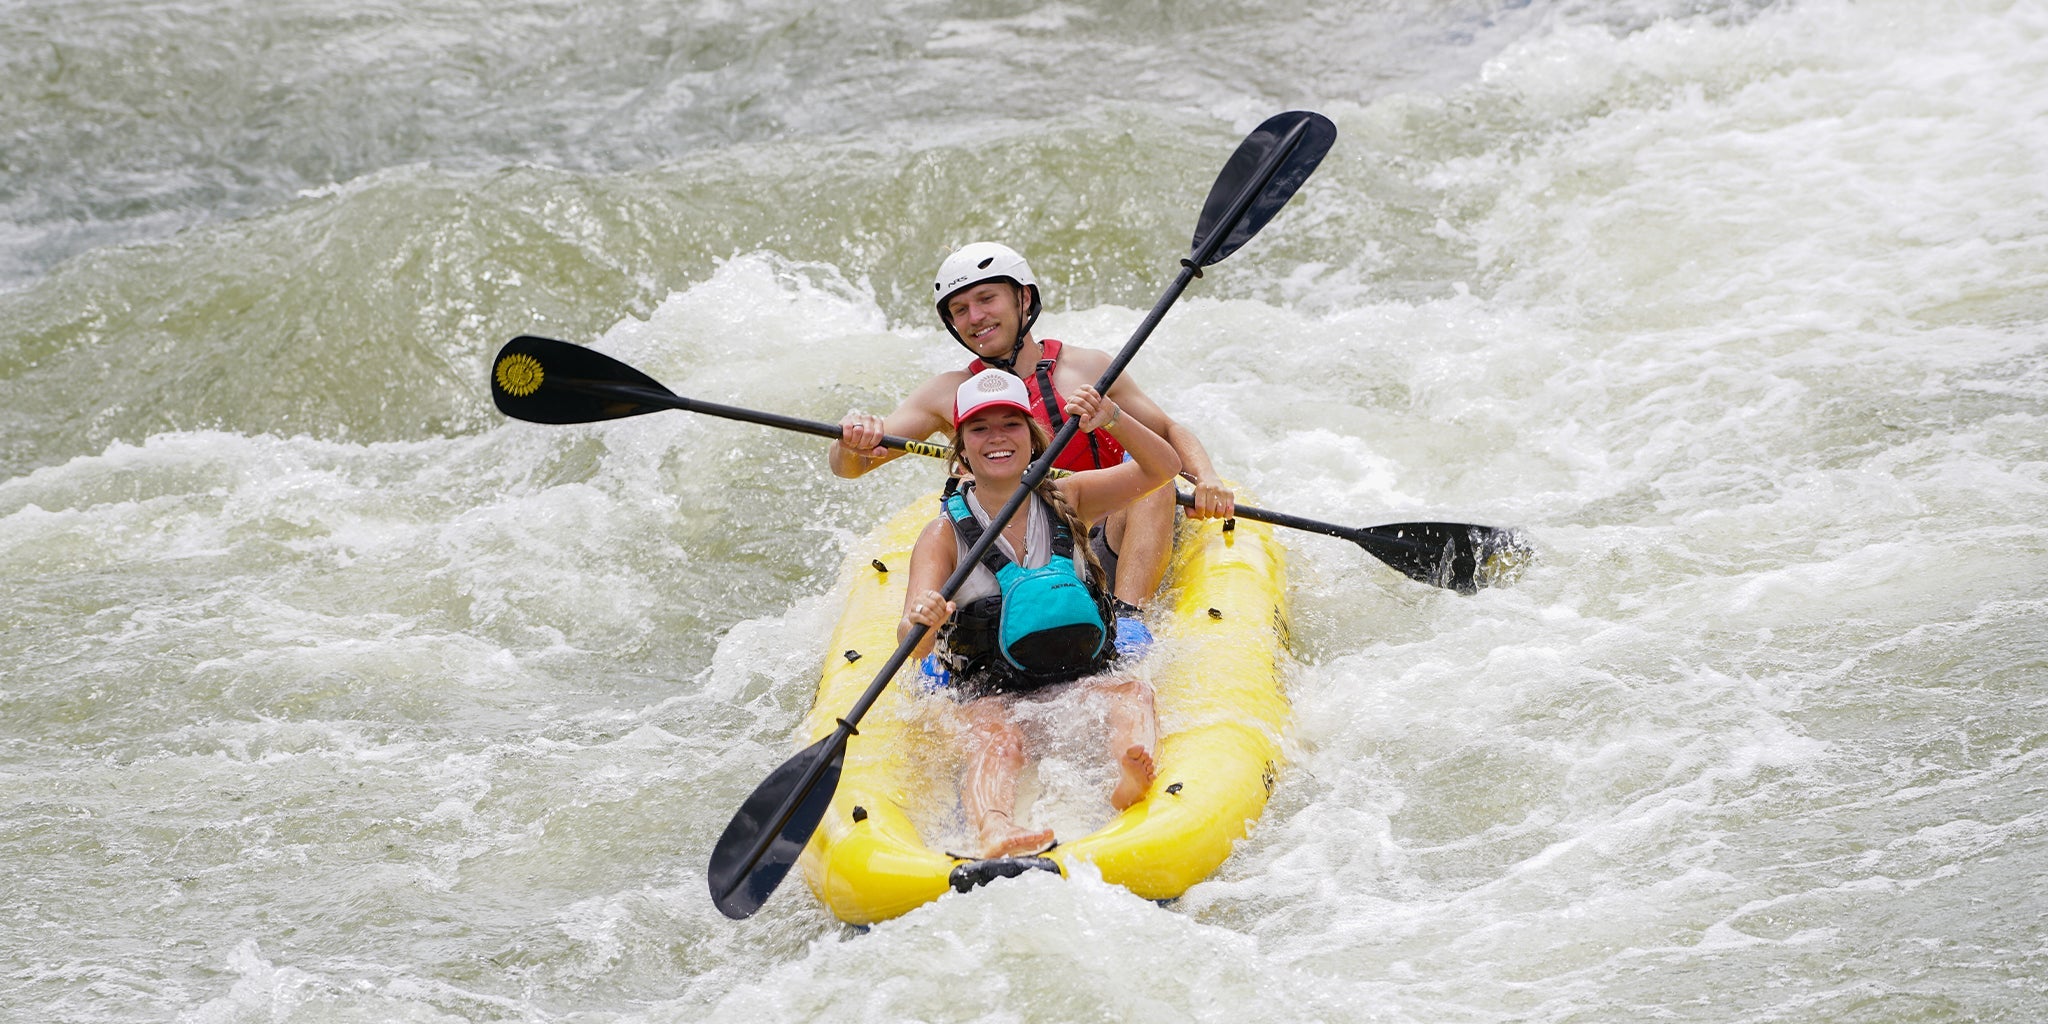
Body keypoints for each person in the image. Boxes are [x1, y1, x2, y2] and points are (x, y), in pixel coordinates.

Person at [833, 242, 1235, 642]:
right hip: (1015, 550)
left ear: (1023, 298)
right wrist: (852, 440)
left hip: (1105, 530)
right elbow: (851, 467)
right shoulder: (948, 393)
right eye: (959, 310)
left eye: (986, 299)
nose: (975, 317)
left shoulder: (1087, 369)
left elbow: (1167, 434)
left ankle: (1129, 621)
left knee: (1154, 483)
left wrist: (1206, 477)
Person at [900, 367, 1180, 859]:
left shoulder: (1069, 498)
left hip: (1078, 671)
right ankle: (994, 826)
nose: (997, 439)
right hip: (989, 687)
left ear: (1033, 439)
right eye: (980, 429)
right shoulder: (943, 536)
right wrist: (925, 616)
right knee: (998, 739)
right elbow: (911, 641)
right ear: (961, 448)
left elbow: (1162, 470)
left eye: (1011, 424)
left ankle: (1127, 780)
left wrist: (1112, 417)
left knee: (1133, 693)